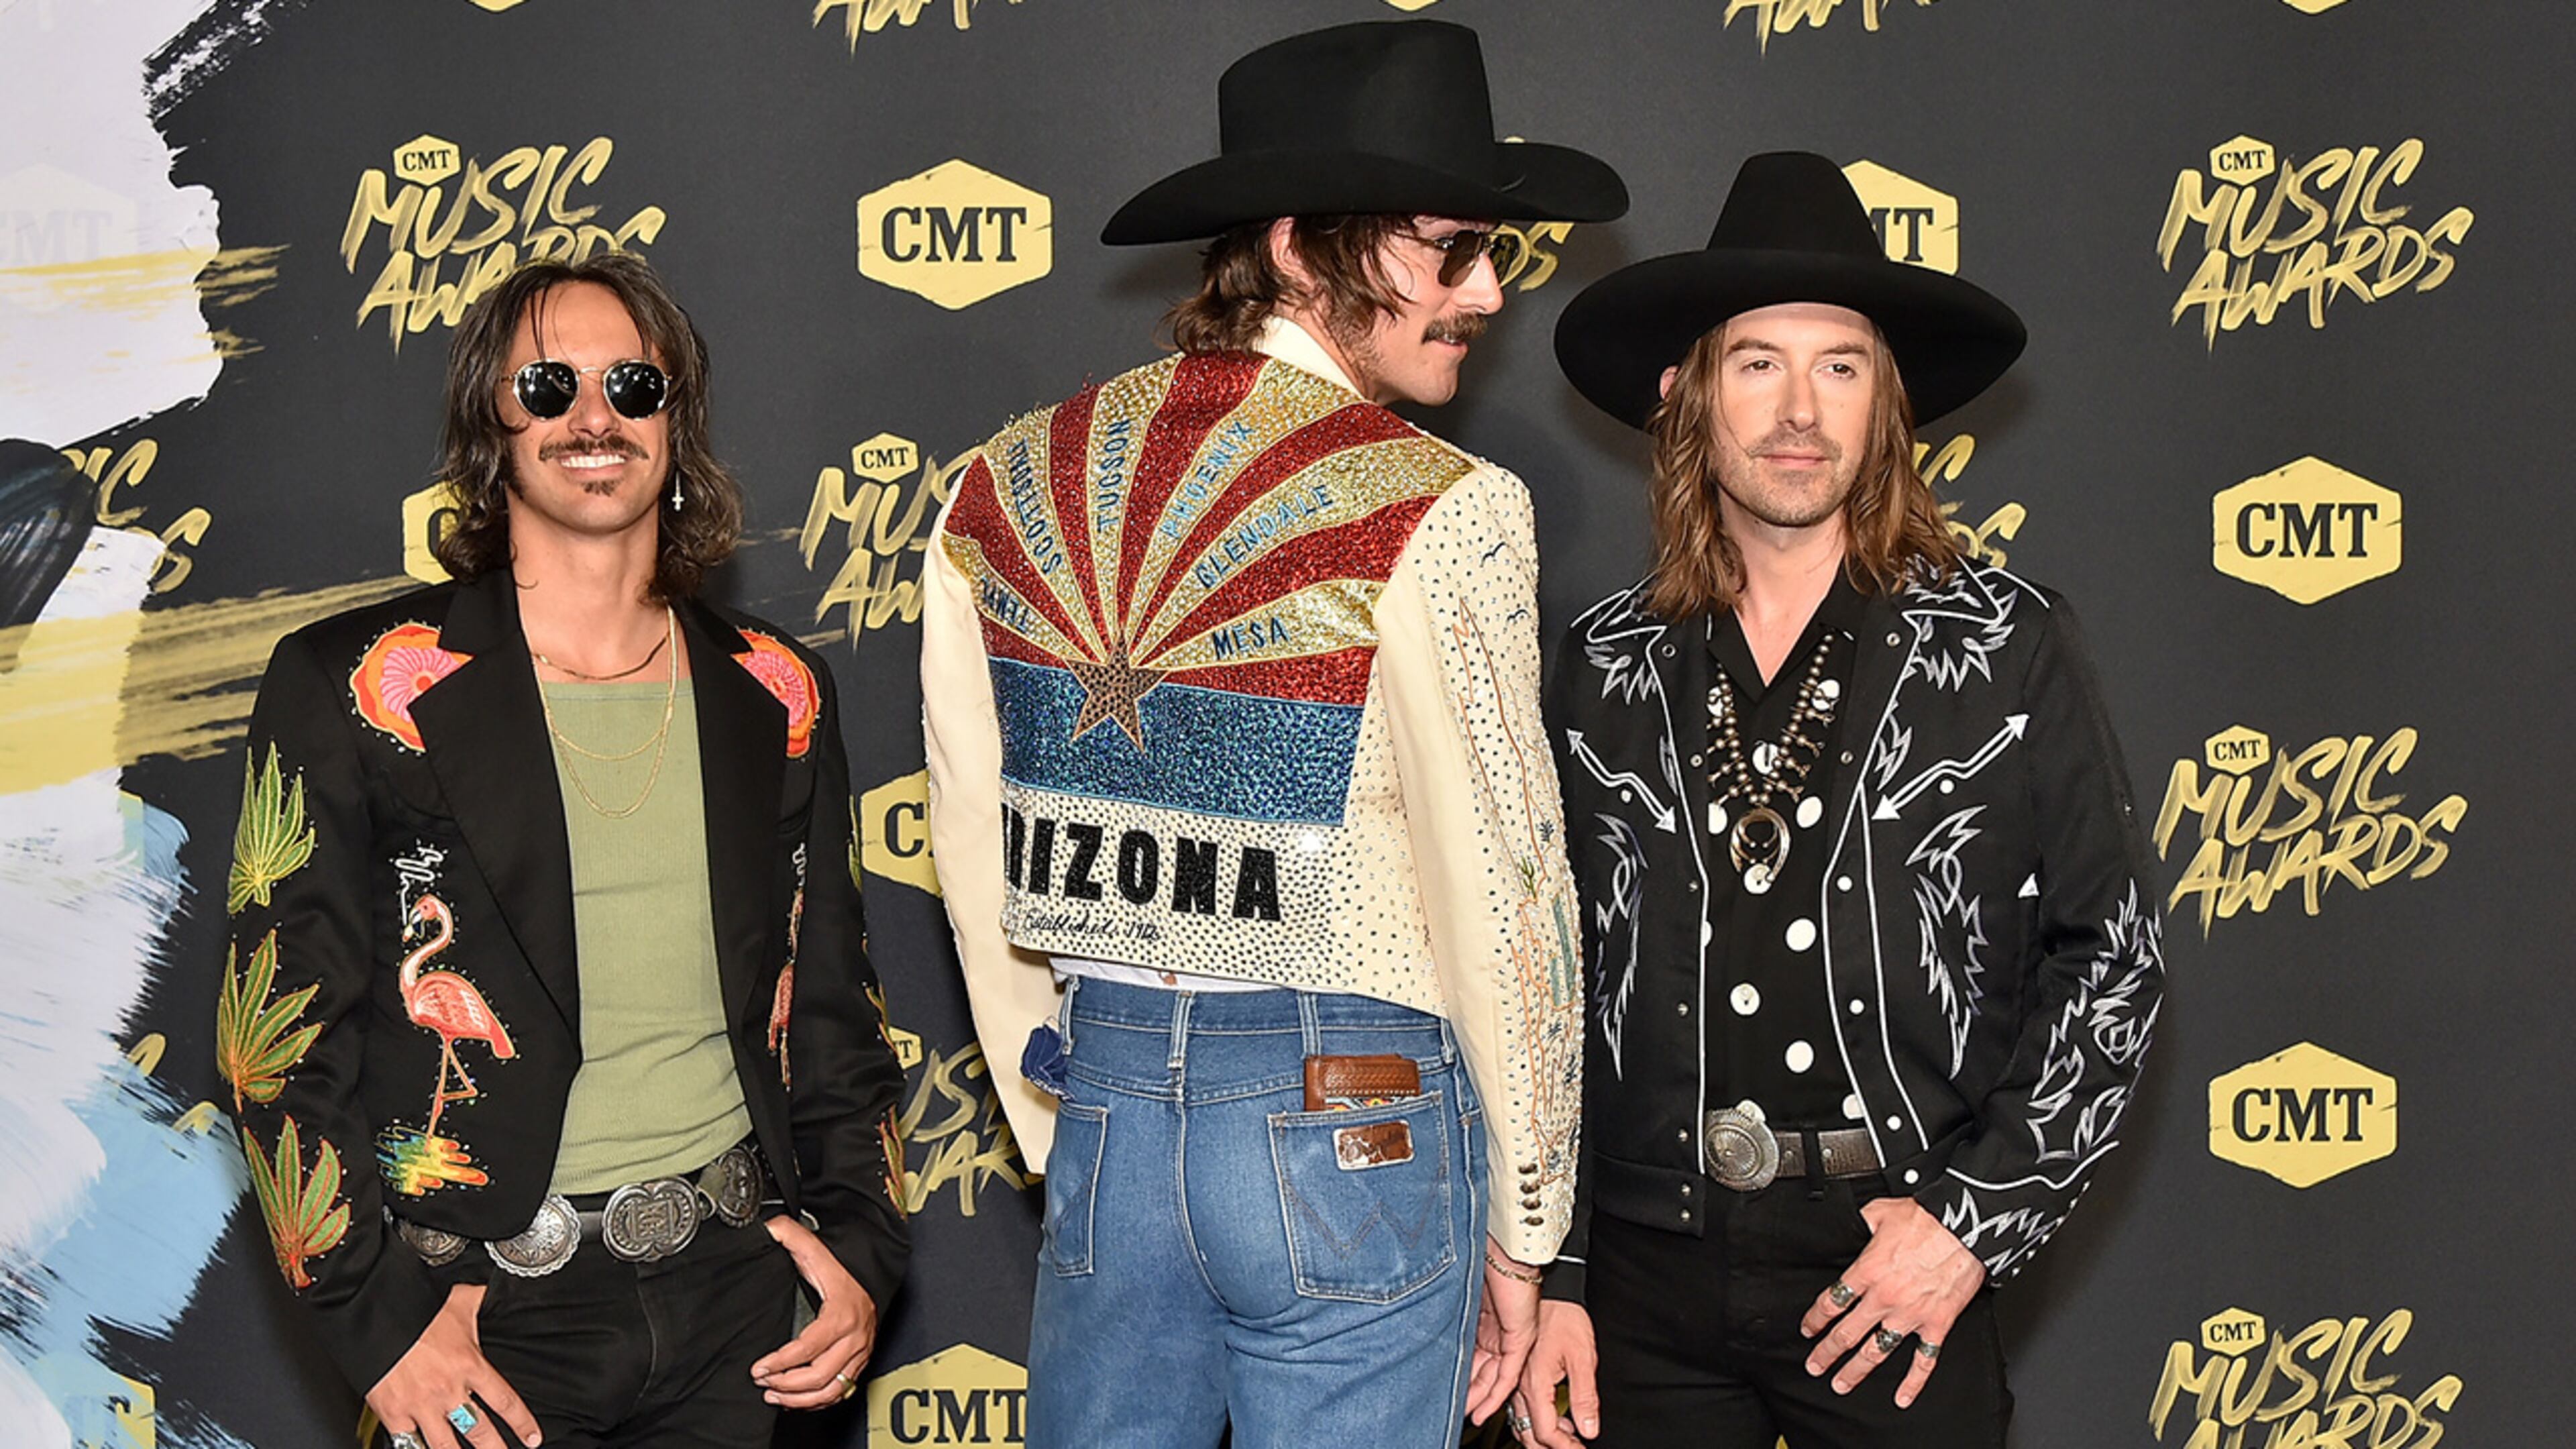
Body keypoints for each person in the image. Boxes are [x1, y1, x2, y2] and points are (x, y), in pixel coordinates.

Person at [918, 19, 1625, 1448]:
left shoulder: (997, 486)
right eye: (1450, 247)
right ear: (1305, 248)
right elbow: (1504, 893)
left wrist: (1068, 1118)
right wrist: (1528, 1222)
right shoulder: (1440, 498)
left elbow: (970, 845)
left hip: (1107, 1096)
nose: (1488, 290)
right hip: (1349, 1118)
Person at [1515, 152, 2164, 1448]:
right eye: (1757, 362)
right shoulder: (1597, 661)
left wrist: (1970, 1228)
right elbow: (1545, 985)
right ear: (1686, 397)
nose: (1799, 409)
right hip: (1639, 1279)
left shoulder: (2006, 642)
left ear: (1888, 407)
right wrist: (1559, 1275)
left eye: (1842, 366)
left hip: (1890, 1262)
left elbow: (2118, 965)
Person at [218, 252, 908, 1449]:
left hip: (740, 1308)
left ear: (675, 419)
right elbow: (272, 1043)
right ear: (491, 420)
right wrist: (377, 1326)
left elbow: (836, 1009)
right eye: (548, 386)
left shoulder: (775, 687)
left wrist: (859, 1253)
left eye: (632, 386)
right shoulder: (361, 686)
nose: (594, 418)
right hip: (479, 1324)